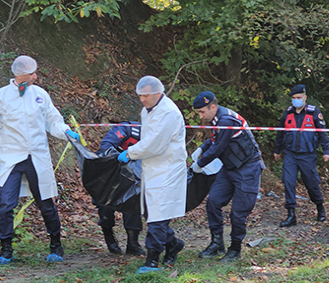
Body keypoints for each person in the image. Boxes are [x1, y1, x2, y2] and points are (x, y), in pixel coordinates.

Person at [0, 55, 81, 265]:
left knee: (46, 203)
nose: (36, 76)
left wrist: (66, 132)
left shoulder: (40, 95)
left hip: (37, 157)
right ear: (20, 75)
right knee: (6, 205)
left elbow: (53, 122)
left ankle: (56, 245)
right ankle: (6, 249)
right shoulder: (0, 97)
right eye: (32, 73)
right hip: (10, 158)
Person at [117, 76, 187, 273]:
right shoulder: (148, 109)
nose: (142, 100)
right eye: (140, 96)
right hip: (152, 168)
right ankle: (173, 244)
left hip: (168, 169)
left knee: (158, 215)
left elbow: (154, 144)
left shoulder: (168, 113)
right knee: (152, 212)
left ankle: (152, 260)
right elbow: (147, 138)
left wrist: (130, 153)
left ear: (158, 93)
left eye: (146, 96)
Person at [190, 91, 265, 263]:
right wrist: (202, 148)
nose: (201, 116)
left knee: (238, 213)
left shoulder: (226, 120)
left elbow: (219, 148)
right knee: (213, 201)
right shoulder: (217, 119)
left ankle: (235, 249)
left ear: (213, 107)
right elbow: (214, 140)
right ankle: (217, 243)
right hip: (229, 168)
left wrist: (200, 164)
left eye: (202, 112)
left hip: (248, 169)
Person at [273, 84, 329, 227]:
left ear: (305, 98)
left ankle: (320, 208)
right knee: (288, 182)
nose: (296, 100)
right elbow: (280, 133)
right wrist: (277, 150)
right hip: (290, 154)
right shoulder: (288, 113)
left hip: (308, 155)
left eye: (299, 98)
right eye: (294, 98)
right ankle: (291, 215)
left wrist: (326, 150)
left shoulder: (313, 112)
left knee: (312, 184)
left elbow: (322, 132)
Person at [96, 121, 145, 256]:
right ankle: (108, 234)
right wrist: (119, 156)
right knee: (104, 205)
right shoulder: (126, 129)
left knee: (133, 203)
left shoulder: (156, 134)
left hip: (135, 177)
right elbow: (105, 146)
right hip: (111, 171)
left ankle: (133, 243)